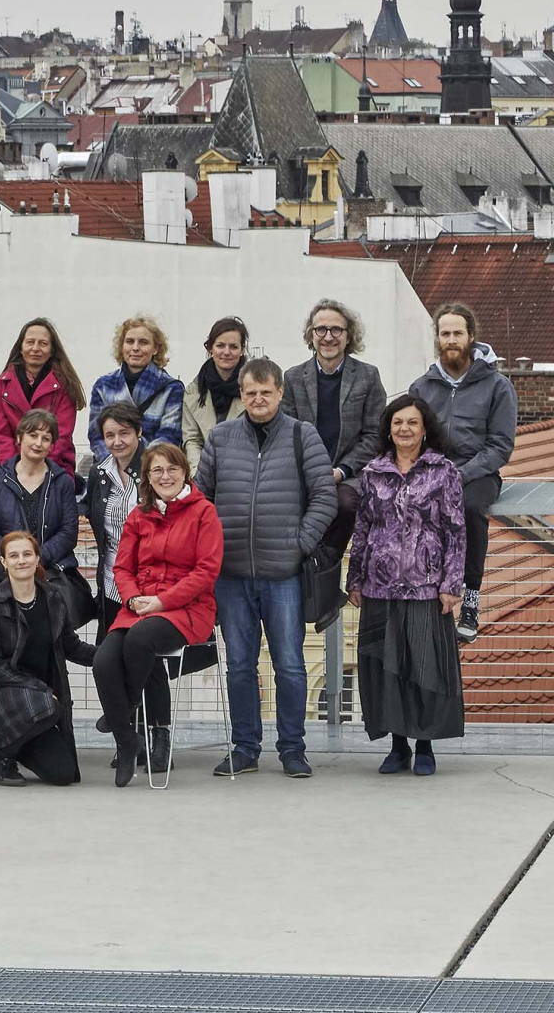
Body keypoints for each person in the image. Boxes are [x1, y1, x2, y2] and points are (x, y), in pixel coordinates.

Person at [196, 358, 337, 778]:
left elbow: (325, 497)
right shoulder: (220, 438)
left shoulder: (301, 435)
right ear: (242, 395)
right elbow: (200, 498)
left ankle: (293, 749)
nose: (258, 399)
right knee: (239, 664)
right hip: (231, 573)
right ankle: (245, 748)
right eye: (250, 392)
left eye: (266, 392)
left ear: (280, 393)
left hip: (284, 574)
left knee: (289, 664)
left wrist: (299, 543)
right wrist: (212, 548)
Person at [92, 443, 223, 786]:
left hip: (187, 608)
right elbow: (122, 567)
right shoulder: (138, 515)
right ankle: (127, 739)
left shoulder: (203, 512)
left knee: (141, 640)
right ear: (147, 478)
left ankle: (126, 706)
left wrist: (161, 602)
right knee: (104, 659)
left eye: (172, 469)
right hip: (140, 607)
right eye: (157, 471)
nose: (165, 476)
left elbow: (206, 571)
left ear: (184, 472)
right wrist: (134, 598)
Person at [349, 395, 467, 776]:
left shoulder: (443, 471)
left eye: (412, 422)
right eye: (398, 422)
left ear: (424, 427)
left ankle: (425, 745)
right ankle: (397, 746)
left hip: (426, 586)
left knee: (423, 669)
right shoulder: (373, 472)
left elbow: (455, 530)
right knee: (388, 669)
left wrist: (451, 584)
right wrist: (355, 578)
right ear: (388, 427)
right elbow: (363, 528)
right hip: (379, 588)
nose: (404, 429)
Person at [407, 302, 516, 644]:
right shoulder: (422, 386)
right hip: (432, 469)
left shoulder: (497, 386)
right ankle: (421, 593)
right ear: (437, 338)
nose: (451, 339)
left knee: (469, 509)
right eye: (445, 333)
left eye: (457, 333)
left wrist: (461, 473)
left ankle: (470, 599)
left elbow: (500, 446)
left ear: (471, 337)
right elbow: (410, 436)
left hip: (479, 473)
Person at [83, 402, 169, 760]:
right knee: (112, 661)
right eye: (109, 435)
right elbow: (94, 519)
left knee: (147, 662)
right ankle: (126, 736)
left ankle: (160, 737)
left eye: (124, 433)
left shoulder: (156, 468)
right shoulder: (98, 472)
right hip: (112, 582)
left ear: (138, 432)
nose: (117, 442)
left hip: (151, 584)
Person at [0, 531, 94, 787]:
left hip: (39, 705)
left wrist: (108, 656)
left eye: (27, 554)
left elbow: (71, 646)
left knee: (63, 774)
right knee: (50, 706)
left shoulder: (53, 598)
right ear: (4, 562)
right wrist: (40, 689)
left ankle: (17, 745)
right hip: (3, 694)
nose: (21, 561)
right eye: (14, 556)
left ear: (37, 558)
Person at [282, 299, 387, 559]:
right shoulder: (293, 378)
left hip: (349, 472)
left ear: (348, 335)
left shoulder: (368, 376)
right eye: (321, 330)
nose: (328, 337)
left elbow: (375, 435)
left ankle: (325, 566)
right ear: (311, 334)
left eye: (336, 330)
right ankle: (309, 569)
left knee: (344, 504)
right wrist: (312, 471)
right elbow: (287, 433)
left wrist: (341, 471)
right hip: (303, 472)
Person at [0, 409, 80, 589]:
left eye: (46, 438)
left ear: (52, 445)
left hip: (50, 573)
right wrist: (11, 560)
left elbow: (68, 532)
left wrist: (34, 560)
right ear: (19, 438)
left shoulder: (62, 482)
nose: (38, 443)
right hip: (2, 574)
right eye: (33, 435)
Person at [0, 318, 83, 473]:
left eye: (43, 343)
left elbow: (62, 436)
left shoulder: (65, 385)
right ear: (20, 347)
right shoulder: (0, 385)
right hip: (13, 470)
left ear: (52, 350)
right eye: (30, 342)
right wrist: (17, 470)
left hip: (56, 468)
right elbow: (0, 436)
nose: (35, 348)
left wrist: (38, 469)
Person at [88, 314, 185, 461]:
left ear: (156, 349)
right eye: (129, 341)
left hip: (152, 472)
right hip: (111, 471)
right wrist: (115, 467)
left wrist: (139, 466)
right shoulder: (103, 386)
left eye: (143, 342)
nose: (135, 348)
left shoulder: (171, 389)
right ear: (121, 346)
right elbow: (96, 435)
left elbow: (169, 436)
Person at [180, 317, 249, 472]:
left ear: (242, 349)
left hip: (244, 474)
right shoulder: (194, 391)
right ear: (210, 347)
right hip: (204, 474)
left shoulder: (254, 389)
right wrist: (199, 474)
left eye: (233, 346)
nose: (226, 352)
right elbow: (192, 440)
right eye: (220, 345)